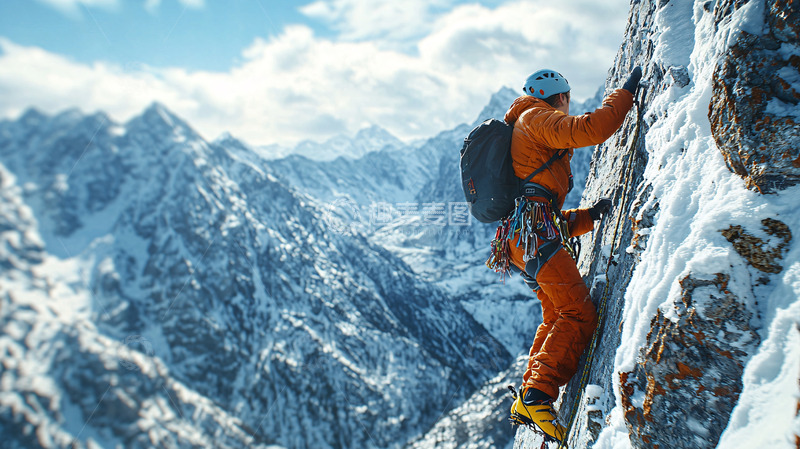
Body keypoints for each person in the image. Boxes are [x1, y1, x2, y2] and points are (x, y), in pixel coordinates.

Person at [505, 67, 642, 442]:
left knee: (555, 315)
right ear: (560, 96)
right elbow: (591, 129)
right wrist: (624, 94)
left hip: (525, 236)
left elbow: (539, 203)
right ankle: (537, 396)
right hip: (535, 233)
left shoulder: (524, 127)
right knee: (577, 313)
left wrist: (588, 217)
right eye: (567, 99)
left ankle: (529, 392)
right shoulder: (536, 117)